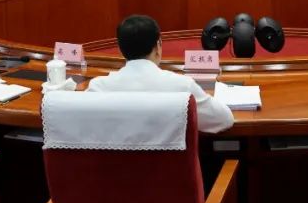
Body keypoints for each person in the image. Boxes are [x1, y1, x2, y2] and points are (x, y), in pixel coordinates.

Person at [88, 15, 234, 133]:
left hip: (118, 163)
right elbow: (224, 119)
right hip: (173, 163)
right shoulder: (182, 86)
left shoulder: (98, 88)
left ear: (121, 49)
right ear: (158, 47)